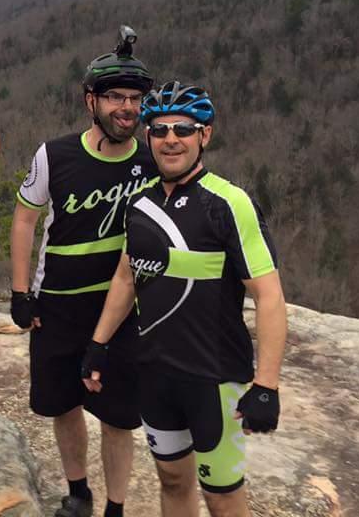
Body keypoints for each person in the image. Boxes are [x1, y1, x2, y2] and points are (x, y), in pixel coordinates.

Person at [82, 81, 288, 517]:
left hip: (214, 379)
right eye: (159, 130)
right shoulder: (139, 204)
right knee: (172, 480)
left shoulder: (230, 203)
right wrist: (98, 343)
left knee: (223, 496)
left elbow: (268, 296)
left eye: (184, 129)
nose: (171, 139)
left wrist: (267, 385)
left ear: (205, 135)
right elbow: (125, 276)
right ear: (148, 136)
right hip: (156, 374)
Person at [10, 26, 155, 517]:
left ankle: (115, 505)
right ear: (90, 100)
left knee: (119, 416)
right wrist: (19, 291)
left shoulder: (154, 158)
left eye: (135, 98)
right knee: (63, 403)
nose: (126, 108)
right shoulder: (56, 154)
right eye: (115, 96)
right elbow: (26, 218)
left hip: (124, 310)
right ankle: (79, 492)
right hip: (58, 303)